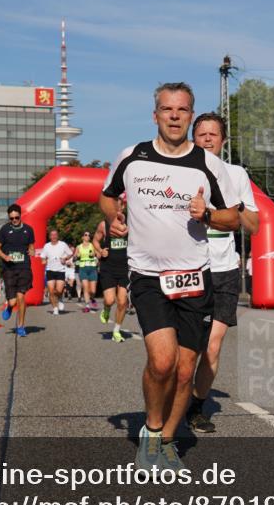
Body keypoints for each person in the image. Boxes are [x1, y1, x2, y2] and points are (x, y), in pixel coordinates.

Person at [100, 82, 240, 471]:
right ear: (155, 115)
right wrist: (113, 218)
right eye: (167, 109)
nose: (175, 116)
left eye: (182, 110)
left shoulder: (209, 165)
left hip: (195, 278)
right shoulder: (132, 157)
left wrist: (207, 215)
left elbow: (233, 217)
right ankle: (151, 429)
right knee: (161, 362)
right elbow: (107, 194)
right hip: (147, 275)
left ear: (191, 115)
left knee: (184, 370)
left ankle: (166, 441)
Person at [188, 112, 259, 433]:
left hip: (224, 270)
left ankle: (197, 408)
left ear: (223, 141)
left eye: (213, 134)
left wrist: (235, 206)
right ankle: (174, 398)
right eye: (201, 134)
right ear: (193, 139)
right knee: (184, 350)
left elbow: (254, 226)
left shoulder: (236, 174)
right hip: (189, 268)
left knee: (213, 347)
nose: (207, 139)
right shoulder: (182, 172)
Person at [0, 203, 35, 337]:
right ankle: (10, 306)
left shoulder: (28, 230)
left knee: (21, 297)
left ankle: (21, 326)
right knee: (13, 301)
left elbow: (31, 246)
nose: (14, 220)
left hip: (24, 267)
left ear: (20, 215)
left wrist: (32, 251)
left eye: (16, 218)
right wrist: (5, 256)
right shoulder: (5, 230)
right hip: (9, 268)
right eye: (11, 218)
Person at [95, 198, 130, 341]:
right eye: (114, 207)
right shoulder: (104, 225)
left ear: (123, 207)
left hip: (125, 267)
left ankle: (117, 330)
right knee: (110, 300)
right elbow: (95, 241)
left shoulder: (131, 224)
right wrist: (100, 251)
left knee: (122, 302)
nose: (117, 210)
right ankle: (106, 309)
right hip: (108, 267)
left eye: (119, 206)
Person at [39, 229, 72, 316]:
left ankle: (60, 298)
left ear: (57, 236)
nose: (53, 236)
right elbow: (43, 256)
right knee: (51, 291)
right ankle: (55, 308)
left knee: (59, 291)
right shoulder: (47, 246)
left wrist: (65, 258)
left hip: (60, 270)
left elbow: (70, 253)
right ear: (49, 237)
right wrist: (43, 261)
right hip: (50, 270)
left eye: (55, 235)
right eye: (52, 235)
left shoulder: (63, 244)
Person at [73, 230, 100, 313]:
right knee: (85, 287)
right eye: (86, 235)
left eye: (89, 235)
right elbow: (74, 258)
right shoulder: (79, 247)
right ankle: (87, 306)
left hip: (92, 269)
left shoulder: (92, 245)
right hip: (83, 269)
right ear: (82, 237)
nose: (88, 236)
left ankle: (92, 298)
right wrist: (77, 256)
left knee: (93, 291)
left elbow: (98, 255)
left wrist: (95, 255)